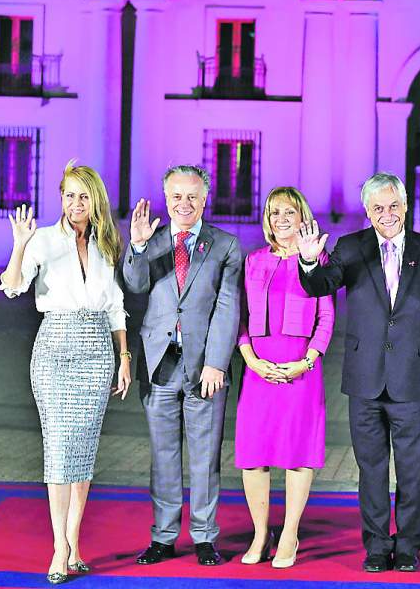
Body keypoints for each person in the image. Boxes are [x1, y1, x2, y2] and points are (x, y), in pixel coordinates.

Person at [296, 172, 420, 573]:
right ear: (367, 211)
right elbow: (321, 285)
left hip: (413, 377)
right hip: (365, 378)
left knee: (413, 470)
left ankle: (409, 546)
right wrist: (309, 261)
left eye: (394, 205)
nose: (387, 214)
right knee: (371, 469)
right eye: (378, 207)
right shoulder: (351, 248)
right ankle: (378, 545)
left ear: (406, 205)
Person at [0, 161, 131, 584]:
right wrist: (20, 245)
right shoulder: (42, 239)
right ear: (61, 198)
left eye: (83, 196)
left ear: (95, 201)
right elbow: (14, 285)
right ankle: (58, 547)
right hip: (55, 349)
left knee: (83, 450)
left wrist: (124, 356)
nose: (76, 203)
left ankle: (74, 540)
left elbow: (115, 305)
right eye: (69, 195)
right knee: (59, 450)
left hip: (97, 352)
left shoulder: (106, 243)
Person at [123, 165, 242, 567]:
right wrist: (138, 246)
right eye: (176, 196)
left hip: (204, 369)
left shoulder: (225, 245)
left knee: (205, 457)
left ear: (205, 199)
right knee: (163, 455)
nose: (184, 204)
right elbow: (135, 284)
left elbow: (227, 308)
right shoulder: (152, 240)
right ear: (166, 198)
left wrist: (217, 363)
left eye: (192, 196)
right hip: (158, 363)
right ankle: (163, 537)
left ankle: (205, 537)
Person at [235, 187, 334, 568]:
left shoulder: (317, 260)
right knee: (253, 455)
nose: (281, 219)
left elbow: (326, 316)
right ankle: (261, 534)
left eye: (289, 212)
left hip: (301, 369)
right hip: (258, 369)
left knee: (297, 453)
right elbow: (241, 317)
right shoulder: (254, 260)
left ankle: (290, 533)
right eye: (274, 212)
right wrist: (251, 360)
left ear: (302, 217)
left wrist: (307, 362)